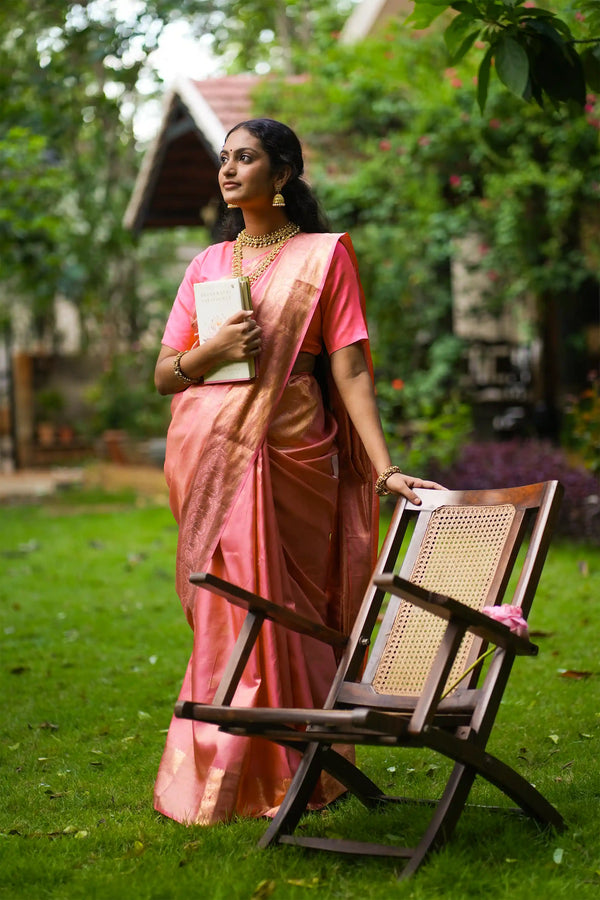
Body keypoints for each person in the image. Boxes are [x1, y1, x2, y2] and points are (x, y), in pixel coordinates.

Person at [153, 118, 444, 826]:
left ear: (282, 176)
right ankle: (222, 772)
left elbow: (348, 368)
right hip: (207, 454)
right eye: (225, 159)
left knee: (289, 612)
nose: (227, 170)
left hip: (292, 457)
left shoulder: (324, 256)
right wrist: (212, 347)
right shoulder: (205, 266)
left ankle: (296, 767)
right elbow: (165, 375)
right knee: (228, 609)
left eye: (244, 158)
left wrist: (384, 470)